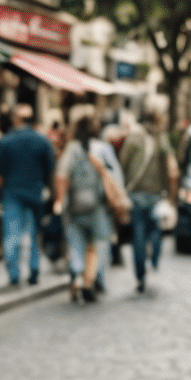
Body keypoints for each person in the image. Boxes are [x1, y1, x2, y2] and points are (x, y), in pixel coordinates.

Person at [54, 114, 118, 304]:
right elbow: (114, 174)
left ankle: (77, 275)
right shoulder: (101, 148)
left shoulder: (71, 149)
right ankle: (92, 281)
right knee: (96, 245)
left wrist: (59, 199)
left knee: (76, 244)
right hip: (97, 206)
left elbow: (62, 175)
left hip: (74, 205)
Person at [0, 104, 55, 287]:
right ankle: (34, 270)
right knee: (34, 234)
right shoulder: (42, 141)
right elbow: (49, 169)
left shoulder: (6, 141)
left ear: (15, 120)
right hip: (35, 193)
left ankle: (14, 273)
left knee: (12, 234)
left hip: (13, 192)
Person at [118, 110, 178, 293]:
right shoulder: (161, 138)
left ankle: (140, 275)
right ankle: (154, 258)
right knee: (154, 229)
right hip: (155, 194)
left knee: (138, 233)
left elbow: (122, 164)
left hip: (135, 194)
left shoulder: (133, 138)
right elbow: (172, 168)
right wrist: (171, 196)